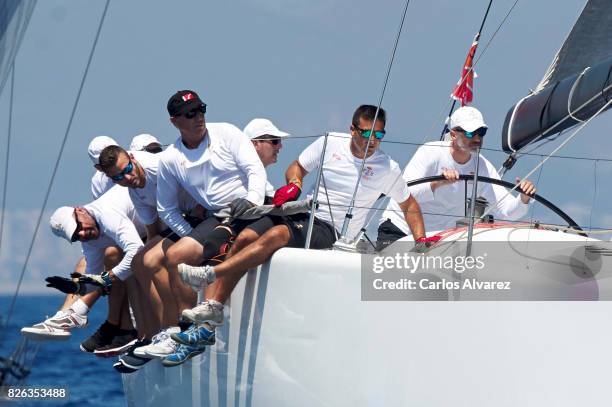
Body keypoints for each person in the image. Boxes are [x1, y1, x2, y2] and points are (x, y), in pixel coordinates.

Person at [172, 104, 427, 349]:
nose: (372, 140)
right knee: (246, 237)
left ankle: (212, 275)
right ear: (352, 129)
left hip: (332, 229)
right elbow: (297, 167)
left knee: (277, 235)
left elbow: (410, 205)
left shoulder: (387, 168)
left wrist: (421, 241)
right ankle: (211, 316)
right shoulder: (330, 144)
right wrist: (294, 183)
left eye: (379, 134)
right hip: (306, 213)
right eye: (367, 133)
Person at [132, 90, 267, 366]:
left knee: (184, 253)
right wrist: (188, 235)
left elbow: (255, 170)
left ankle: (198, 326)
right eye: (190, 114)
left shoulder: (227, 133)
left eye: (201, 109)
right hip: (217, 218)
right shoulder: (171, 158)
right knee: (176, 255)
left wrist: (252, 201)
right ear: (174, 121)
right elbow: (166, 209)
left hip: (251, 207)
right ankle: (188, 332)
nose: (199, 118)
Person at [377, 106, 536, 247]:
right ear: (453, 135)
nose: (477, 138)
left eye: (481, 132)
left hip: (438, 241)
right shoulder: (430, 152)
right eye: (470, 132)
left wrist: (523, 199)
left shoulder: (483, 166)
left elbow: (508, 212)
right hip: (400, 231)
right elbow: (404, 195)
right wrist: (437, 183)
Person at [45, 186, 145, 356]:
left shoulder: (106, 214)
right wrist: (78, 288)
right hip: (145, 234)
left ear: (80, 211)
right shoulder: (89, 239)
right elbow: (94, 276)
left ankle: (116, 326)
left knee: (117, 259)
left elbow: (136, 250)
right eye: (76, 236)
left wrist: (106, 279)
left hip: (169, 222)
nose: (83, 234)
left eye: (79, 227)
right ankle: (107, 324)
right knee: (113, 260)